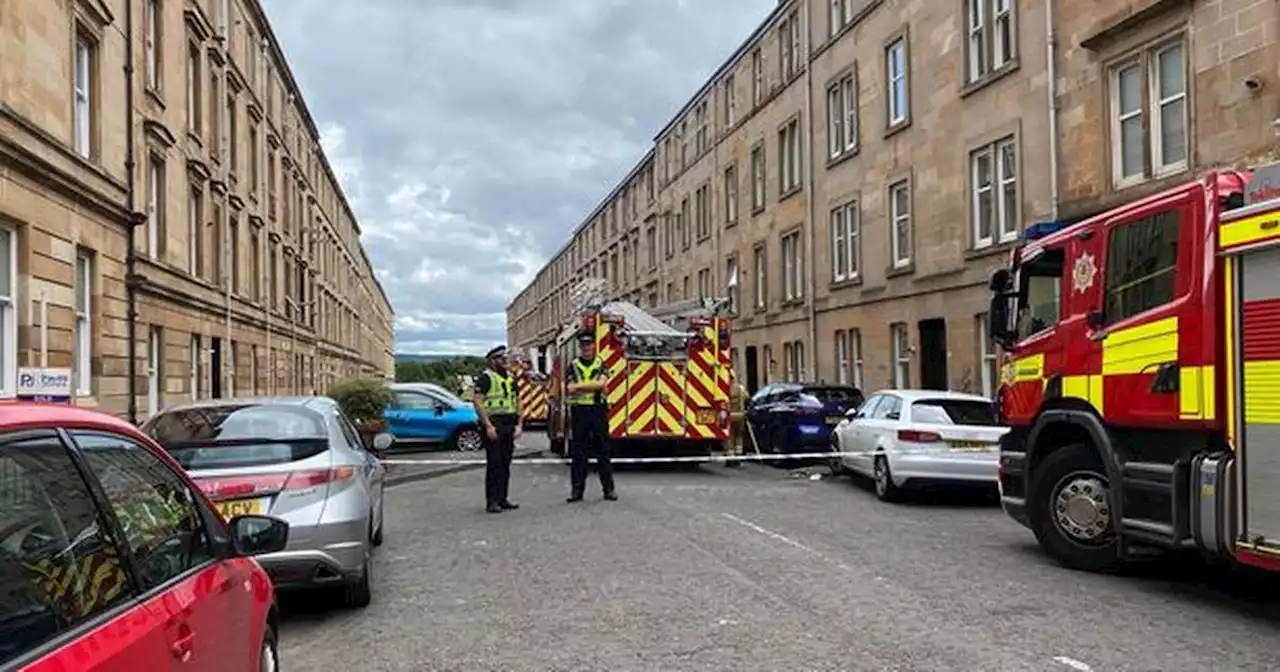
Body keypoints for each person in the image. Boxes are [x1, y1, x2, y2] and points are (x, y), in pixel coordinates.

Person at [565, 332, 616, 503]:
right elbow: (570, 388)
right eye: (583, 345)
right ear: (580, 347)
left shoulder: (602, 363)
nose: (586, 348)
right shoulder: (573, 365)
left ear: (594, 346)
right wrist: (593, 387)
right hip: (580, 412)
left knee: (603, 451)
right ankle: (577, 492)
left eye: (588, 345)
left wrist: (582, 387)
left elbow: (602, 384)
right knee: (579, 454)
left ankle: (608, 489)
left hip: (598, 411)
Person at [473, 345, 523, 514]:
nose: (505, 361)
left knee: (505, 463)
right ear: (492, 361)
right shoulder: (485, 378)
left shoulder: (510, 378)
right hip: (494, 424)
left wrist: (519, 425)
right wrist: (488, 425)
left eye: (505, 359)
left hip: (509, 423)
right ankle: (492, 501)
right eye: (501, 359)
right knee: (494, 463)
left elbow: (518, 401)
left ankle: (503, 498)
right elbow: (478, 402)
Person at [724, 369, 747, 467]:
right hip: (740, 416)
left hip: (730, 417)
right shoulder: (740, 388)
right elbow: (747, 397)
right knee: (739, 437)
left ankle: (730, 458)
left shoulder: (725, 389)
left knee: (729, 438)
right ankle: (738, 456)